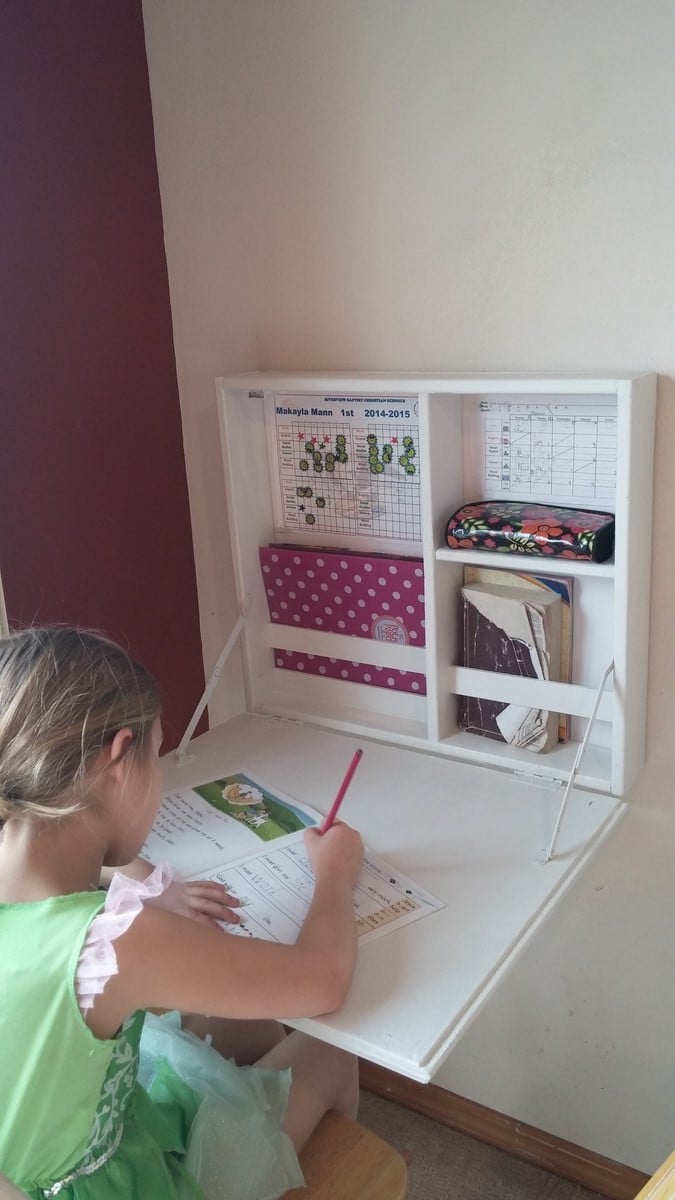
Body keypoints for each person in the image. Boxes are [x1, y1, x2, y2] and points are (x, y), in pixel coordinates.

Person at [0, 626, 364, 1200]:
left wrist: (143, 880)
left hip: (32, 1158)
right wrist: (335, 872)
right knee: (331, 1052)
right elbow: (325, 982)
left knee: (245, 1026)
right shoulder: (114, 944)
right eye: (158, 755)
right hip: (122, 1185)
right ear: (119, 760)